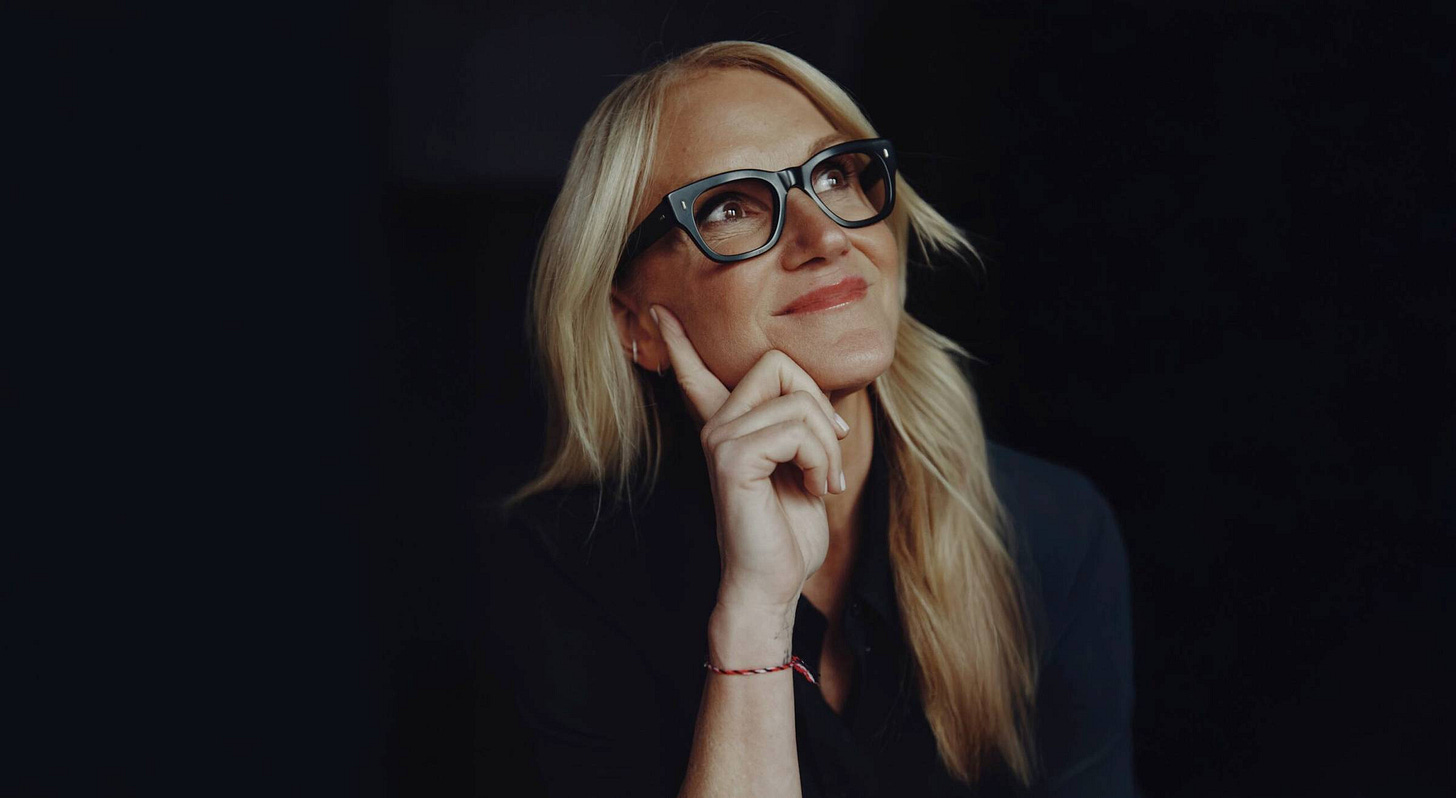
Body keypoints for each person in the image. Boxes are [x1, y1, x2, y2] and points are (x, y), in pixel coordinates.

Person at [486, 40, 1141, 797]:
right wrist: (757, 616)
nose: (826, 235)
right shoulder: (564, 572)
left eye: (834, 175)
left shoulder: (1050, 529)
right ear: (634, 320)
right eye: (729, 206)